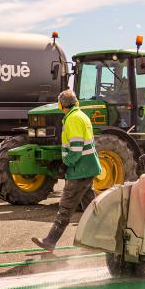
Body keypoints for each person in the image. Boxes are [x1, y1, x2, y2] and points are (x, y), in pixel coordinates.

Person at [32, 89, 102, 252]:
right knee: (91, 207)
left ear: (60, 105)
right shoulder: (81, 115)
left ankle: (50, 241)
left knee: (66, 206)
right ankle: (102, 239)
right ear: (76, 102)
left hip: (80, 169)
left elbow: (76, 148)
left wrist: (65, 165)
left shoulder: (72, 119)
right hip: (87, 167)